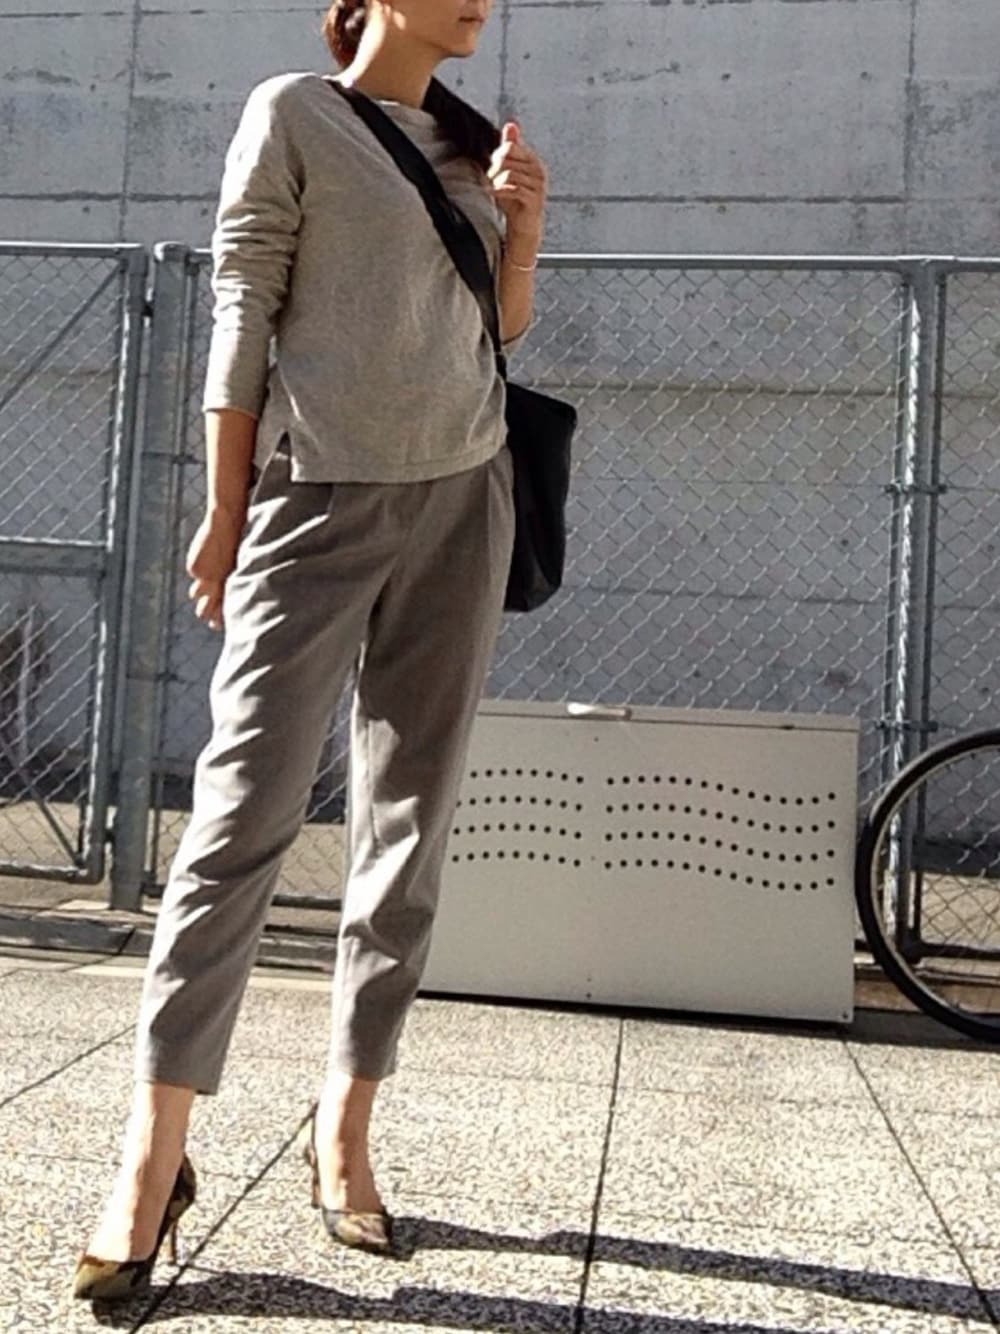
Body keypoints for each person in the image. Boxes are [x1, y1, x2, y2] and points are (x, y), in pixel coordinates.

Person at [72, 0, 548, 1301]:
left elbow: (495, 337)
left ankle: (346, 1129)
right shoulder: (293, 113)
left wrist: (522, 238)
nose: (481, 0)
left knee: (409, 822)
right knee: (240, 817)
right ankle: (152, 1153)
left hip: (465, 499)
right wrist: (224, 507)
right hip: (311, 499)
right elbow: (241, 307)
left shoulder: (470, 144)